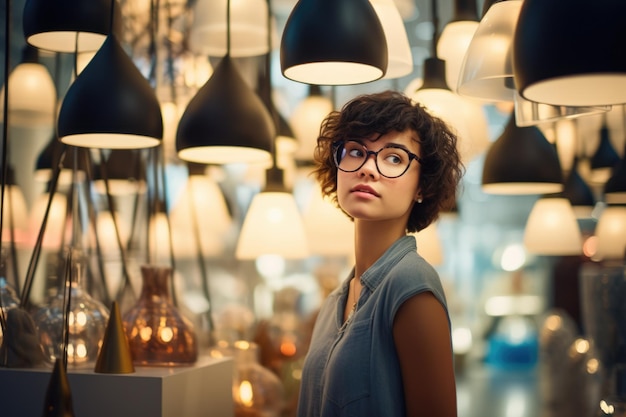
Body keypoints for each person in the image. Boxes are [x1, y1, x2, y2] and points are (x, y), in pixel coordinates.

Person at [296, 90, 463, 417]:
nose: (368, 169)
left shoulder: (411, 284)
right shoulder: (334, 303)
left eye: (394, 157)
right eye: (356, 151)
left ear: (422, 187)